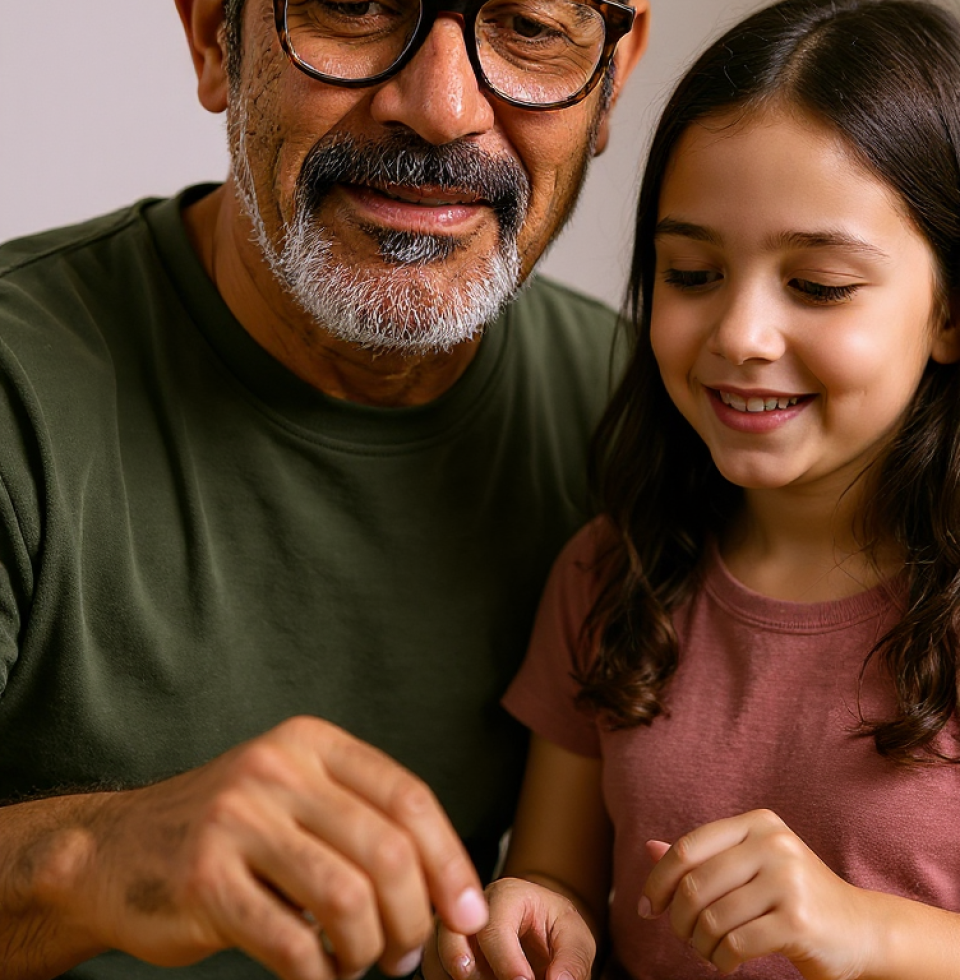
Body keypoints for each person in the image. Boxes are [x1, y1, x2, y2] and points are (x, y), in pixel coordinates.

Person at [0, 0, 650, 976]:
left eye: (527, 23)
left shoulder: (651, 430)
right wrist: (94, 856)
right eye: (354, 5)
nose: (440, 108)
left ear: (613, 74)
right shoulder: (18, 384)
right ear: (216, 35)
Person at [427, 0, 960, 978]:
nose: (741, 334)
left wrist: (869, 930)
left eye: (819, 284)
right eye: (693, 271)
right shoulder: (606, 573)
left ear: (950, 311)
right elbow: (558, 877)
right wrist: (533, 915)